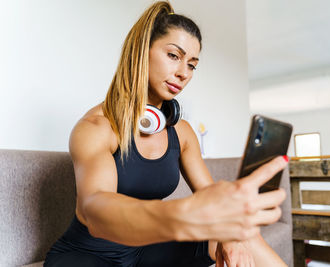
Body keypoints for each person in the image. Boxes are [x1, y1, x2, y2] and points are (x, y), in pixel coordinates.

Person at [44, 1, 289, 267]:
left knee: (243, 234)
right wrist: (186, 215)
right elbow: (94, 212)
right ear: (141, 52)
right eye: (174, 55)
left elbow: (211, 196)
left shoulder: (182, 134)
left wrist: (230, 227)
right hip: (89, 254)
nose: (184, 73)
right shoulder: (95, 127)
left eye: (192, 65)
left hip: (147, 249)